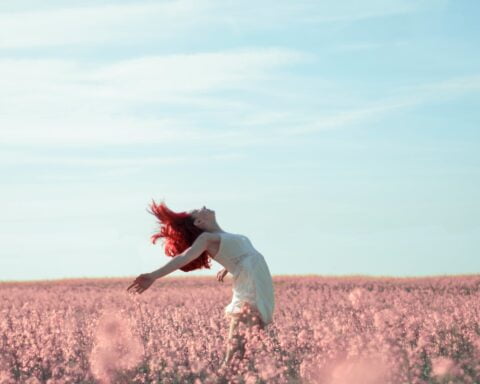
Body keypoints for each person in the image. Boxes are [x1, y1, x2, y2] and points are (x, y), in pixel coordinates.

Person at [127, 200, 275, 367]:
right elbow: (185, 257)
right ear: (198, 222)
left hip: (260, 287)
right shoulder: (207, 238)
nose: (203, 206)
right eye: (198, 210)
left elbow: (242, 256)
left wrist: (228, 267)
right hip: (250, 290)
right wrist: (153, 276)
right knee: (235, 358)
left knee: (247, 355)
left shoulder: (225, 236)